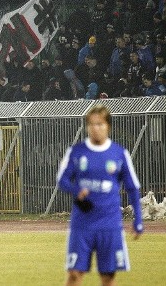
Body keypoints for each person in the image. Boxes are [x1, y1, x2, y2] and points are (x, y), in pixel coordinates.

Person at [56, 104, 143, 286]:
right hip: (82, 225)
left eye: (100, 124)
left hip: (109, 225)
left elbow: (133, 188)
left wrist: (138, 221)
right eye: (92, 124)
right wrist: (76, 191)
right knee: (74, 275)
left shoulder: (119, 154)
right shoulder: (76, 152)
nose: (95, 128)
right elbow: (62, 180)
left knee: (108, 278)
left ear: (108, 126)